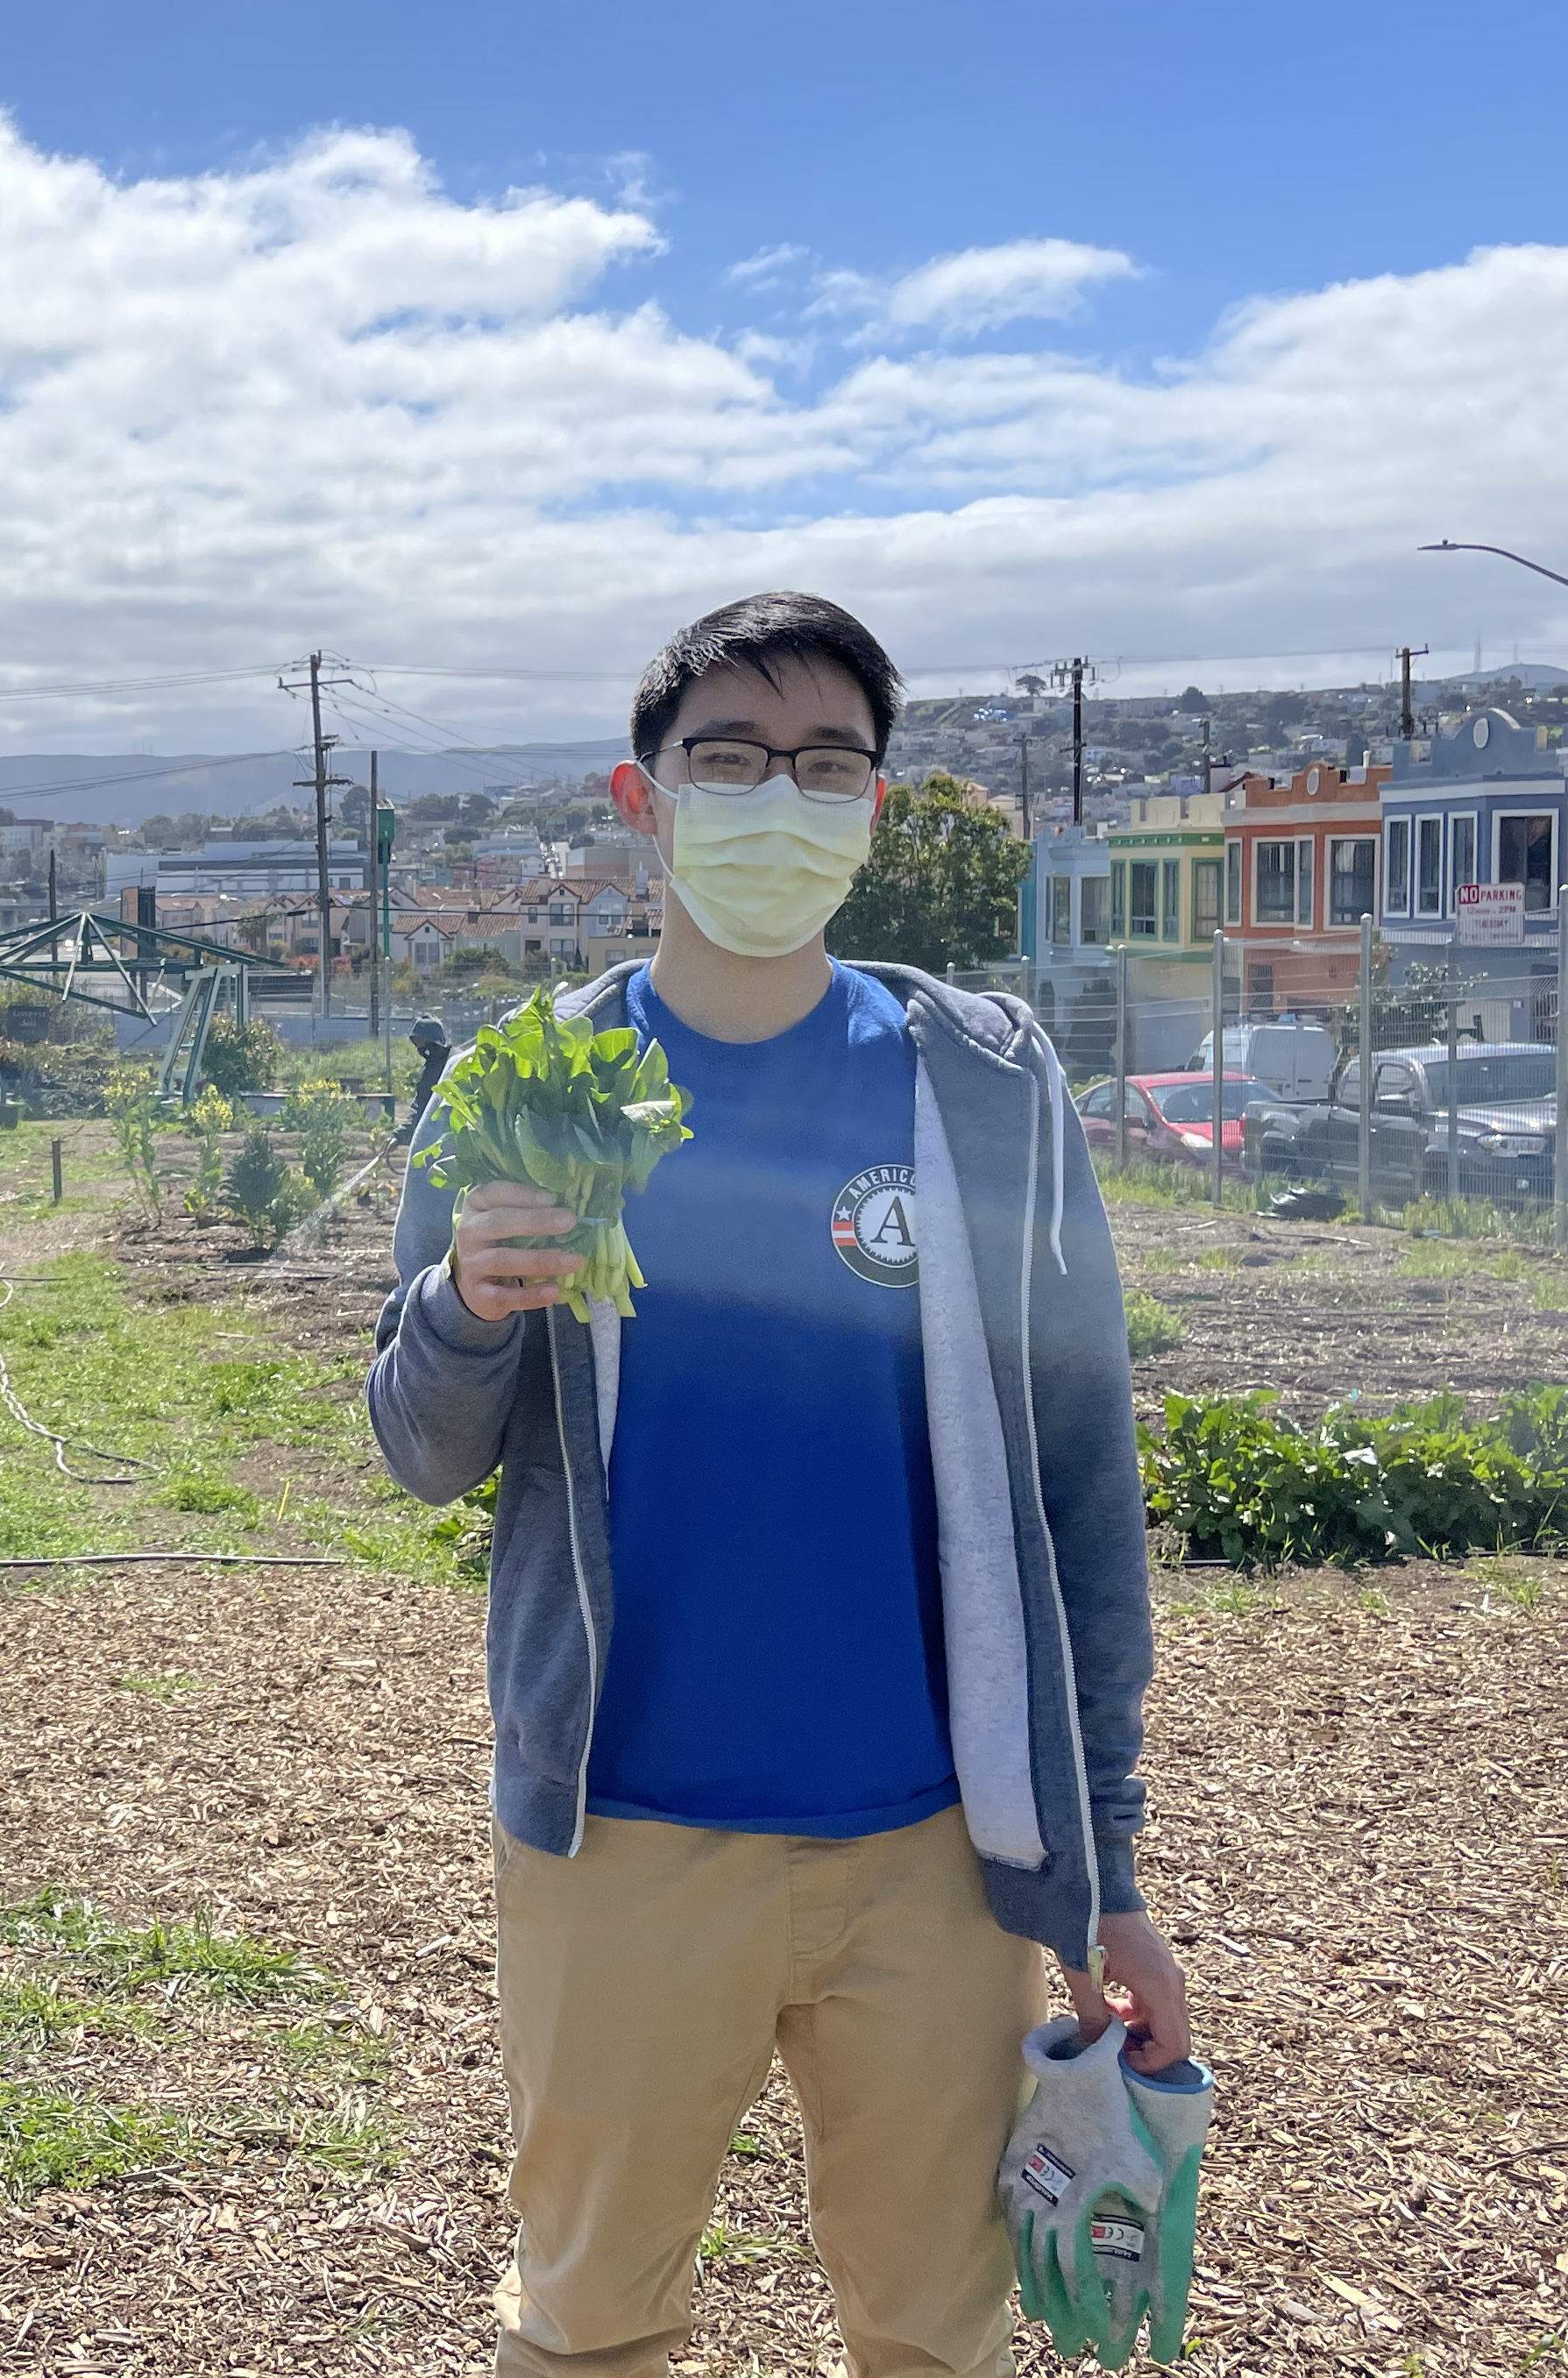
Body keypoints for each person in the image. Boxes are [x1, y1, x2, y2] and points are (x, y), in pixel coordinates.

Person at [367, 591, 1186, 2378]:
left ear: (874, 810)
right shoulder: (526, 1088)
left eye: (827, 766)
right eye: (727, 761)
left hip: (937, 1852)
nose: (776, 801)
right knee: (590, 2325)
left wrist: (1102, 1865)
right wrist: (464, 1309)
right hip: (626, 1832)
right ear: (639, 798)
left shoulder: (979, 1085)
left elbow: (1077, 1485)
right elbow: (423, 1453)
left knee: (939, 2329)